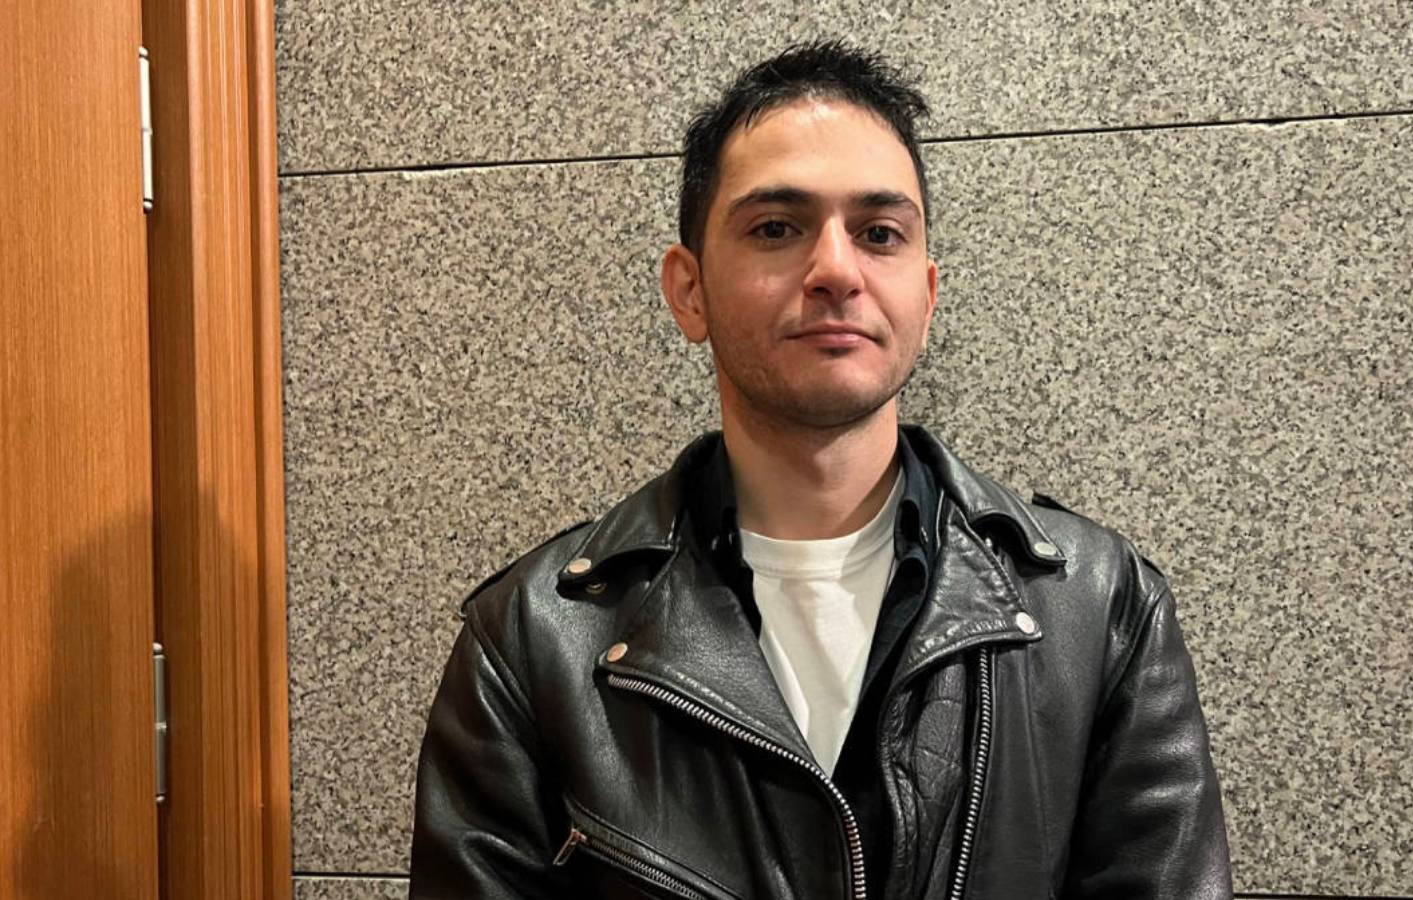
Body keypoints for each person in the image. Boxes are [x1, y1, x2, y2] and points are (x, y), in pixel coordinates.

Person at [409, 40, 1231, 899]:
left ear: (926, 294)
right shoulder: (535, 639)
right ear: (689, 291)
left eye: (879, 234)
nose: (837, 270)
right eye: (776, 228)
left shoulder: (1098, 608)